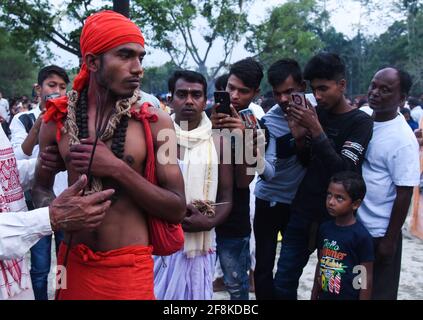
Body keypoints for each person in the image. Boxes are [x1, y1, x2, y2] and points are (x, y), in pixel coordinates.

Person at [32, 10, 186, 300]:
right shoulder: (58, 119)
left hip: (130, 269)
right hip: (71, 261)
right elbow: (40, 187)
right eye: (126, 56)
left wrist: (117, 169)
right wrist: (57, 212)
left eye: (141, 57)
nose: (138, 67)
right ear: (92, 62)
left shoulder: (157, 123)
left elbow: (177, 207)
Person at [273, 52, 373, 299]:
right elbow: (307, 161)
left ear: (342, 85)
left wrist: (316, 128)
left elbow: (345, 172)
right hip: (303, 211)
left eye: (324, 88)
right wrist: (299, 138)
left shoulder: (360, 122)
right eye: (314, 89)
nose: (317, 96)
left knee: (334, 288)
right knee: (283, 281)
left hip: (338, 220)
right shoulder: (315, 112)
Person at [0, 124, 114, 300]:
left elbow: (5, 175)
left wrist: (44, 164)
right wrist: (50, 218)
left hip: (14, 279)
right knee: (42, 269)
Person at [154, 70, 233, 300]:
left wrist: (207, 221)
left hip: (200, 244)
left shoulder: (219, 140)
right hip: (162, 239)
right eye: (182, 94)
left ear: (205, 100)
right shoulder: (158, 136)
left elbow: (227, 195)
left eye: (196, 95)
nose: (189, 100)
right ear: (170, 99)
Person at [357, 67, 420, 300]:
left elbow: (405, 193)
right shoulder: (363, 118)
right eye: (374, 85)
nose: (375, 92)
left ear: (401, 98)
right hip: (356, 228)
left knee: (377, 292)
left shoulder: (402, 139)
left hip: (379, 233)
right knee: (356, 287)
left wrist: (389, 240)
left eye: (385, 90)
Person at [10, 65, 70, 300]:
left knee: (63, 262)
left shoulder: (72, 119)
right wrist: (43, 122)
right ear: (38, 89)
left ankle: (61, 296)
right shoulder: (22, 119)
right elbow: (18, 157)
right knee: (40, 265)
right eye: (51, 85)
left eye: (63, 87)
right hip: (38, 204)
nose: (57, 91)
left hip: (66, 201)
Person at [253, 59, 308, 300]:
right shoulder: (269, 121)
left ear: (303, 87)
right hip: (269, 201)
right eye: (278, 94)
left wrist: (301, 138)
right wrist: (253, 155)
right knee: (264, 266)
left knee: (290, 269)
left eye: (289, 92)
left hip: (299, 204)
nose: (284, 99)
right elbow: (268, 172)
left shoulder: (317, 112)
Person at [211, 57, 265, 300]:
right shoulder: (204, 117)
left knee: (236, 286)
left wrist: (242, 137)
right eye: (230, 88)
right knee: (197, 282)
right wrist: (209, 131)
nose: (234, 96)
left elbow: (245, 181)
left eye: (243, 91)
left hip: (235, 218)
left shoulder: (257, 128)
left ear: (255, 93)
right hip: (201, 213)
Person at [311, 171, 374, 300]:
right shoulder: (324, 229)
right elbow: (321, 263)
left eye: (339, 198)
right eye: (329, 195)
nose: (331, 202)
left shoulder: (361, 236)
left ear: (355, 204)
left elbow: (365, 278)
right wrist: (314, 294)